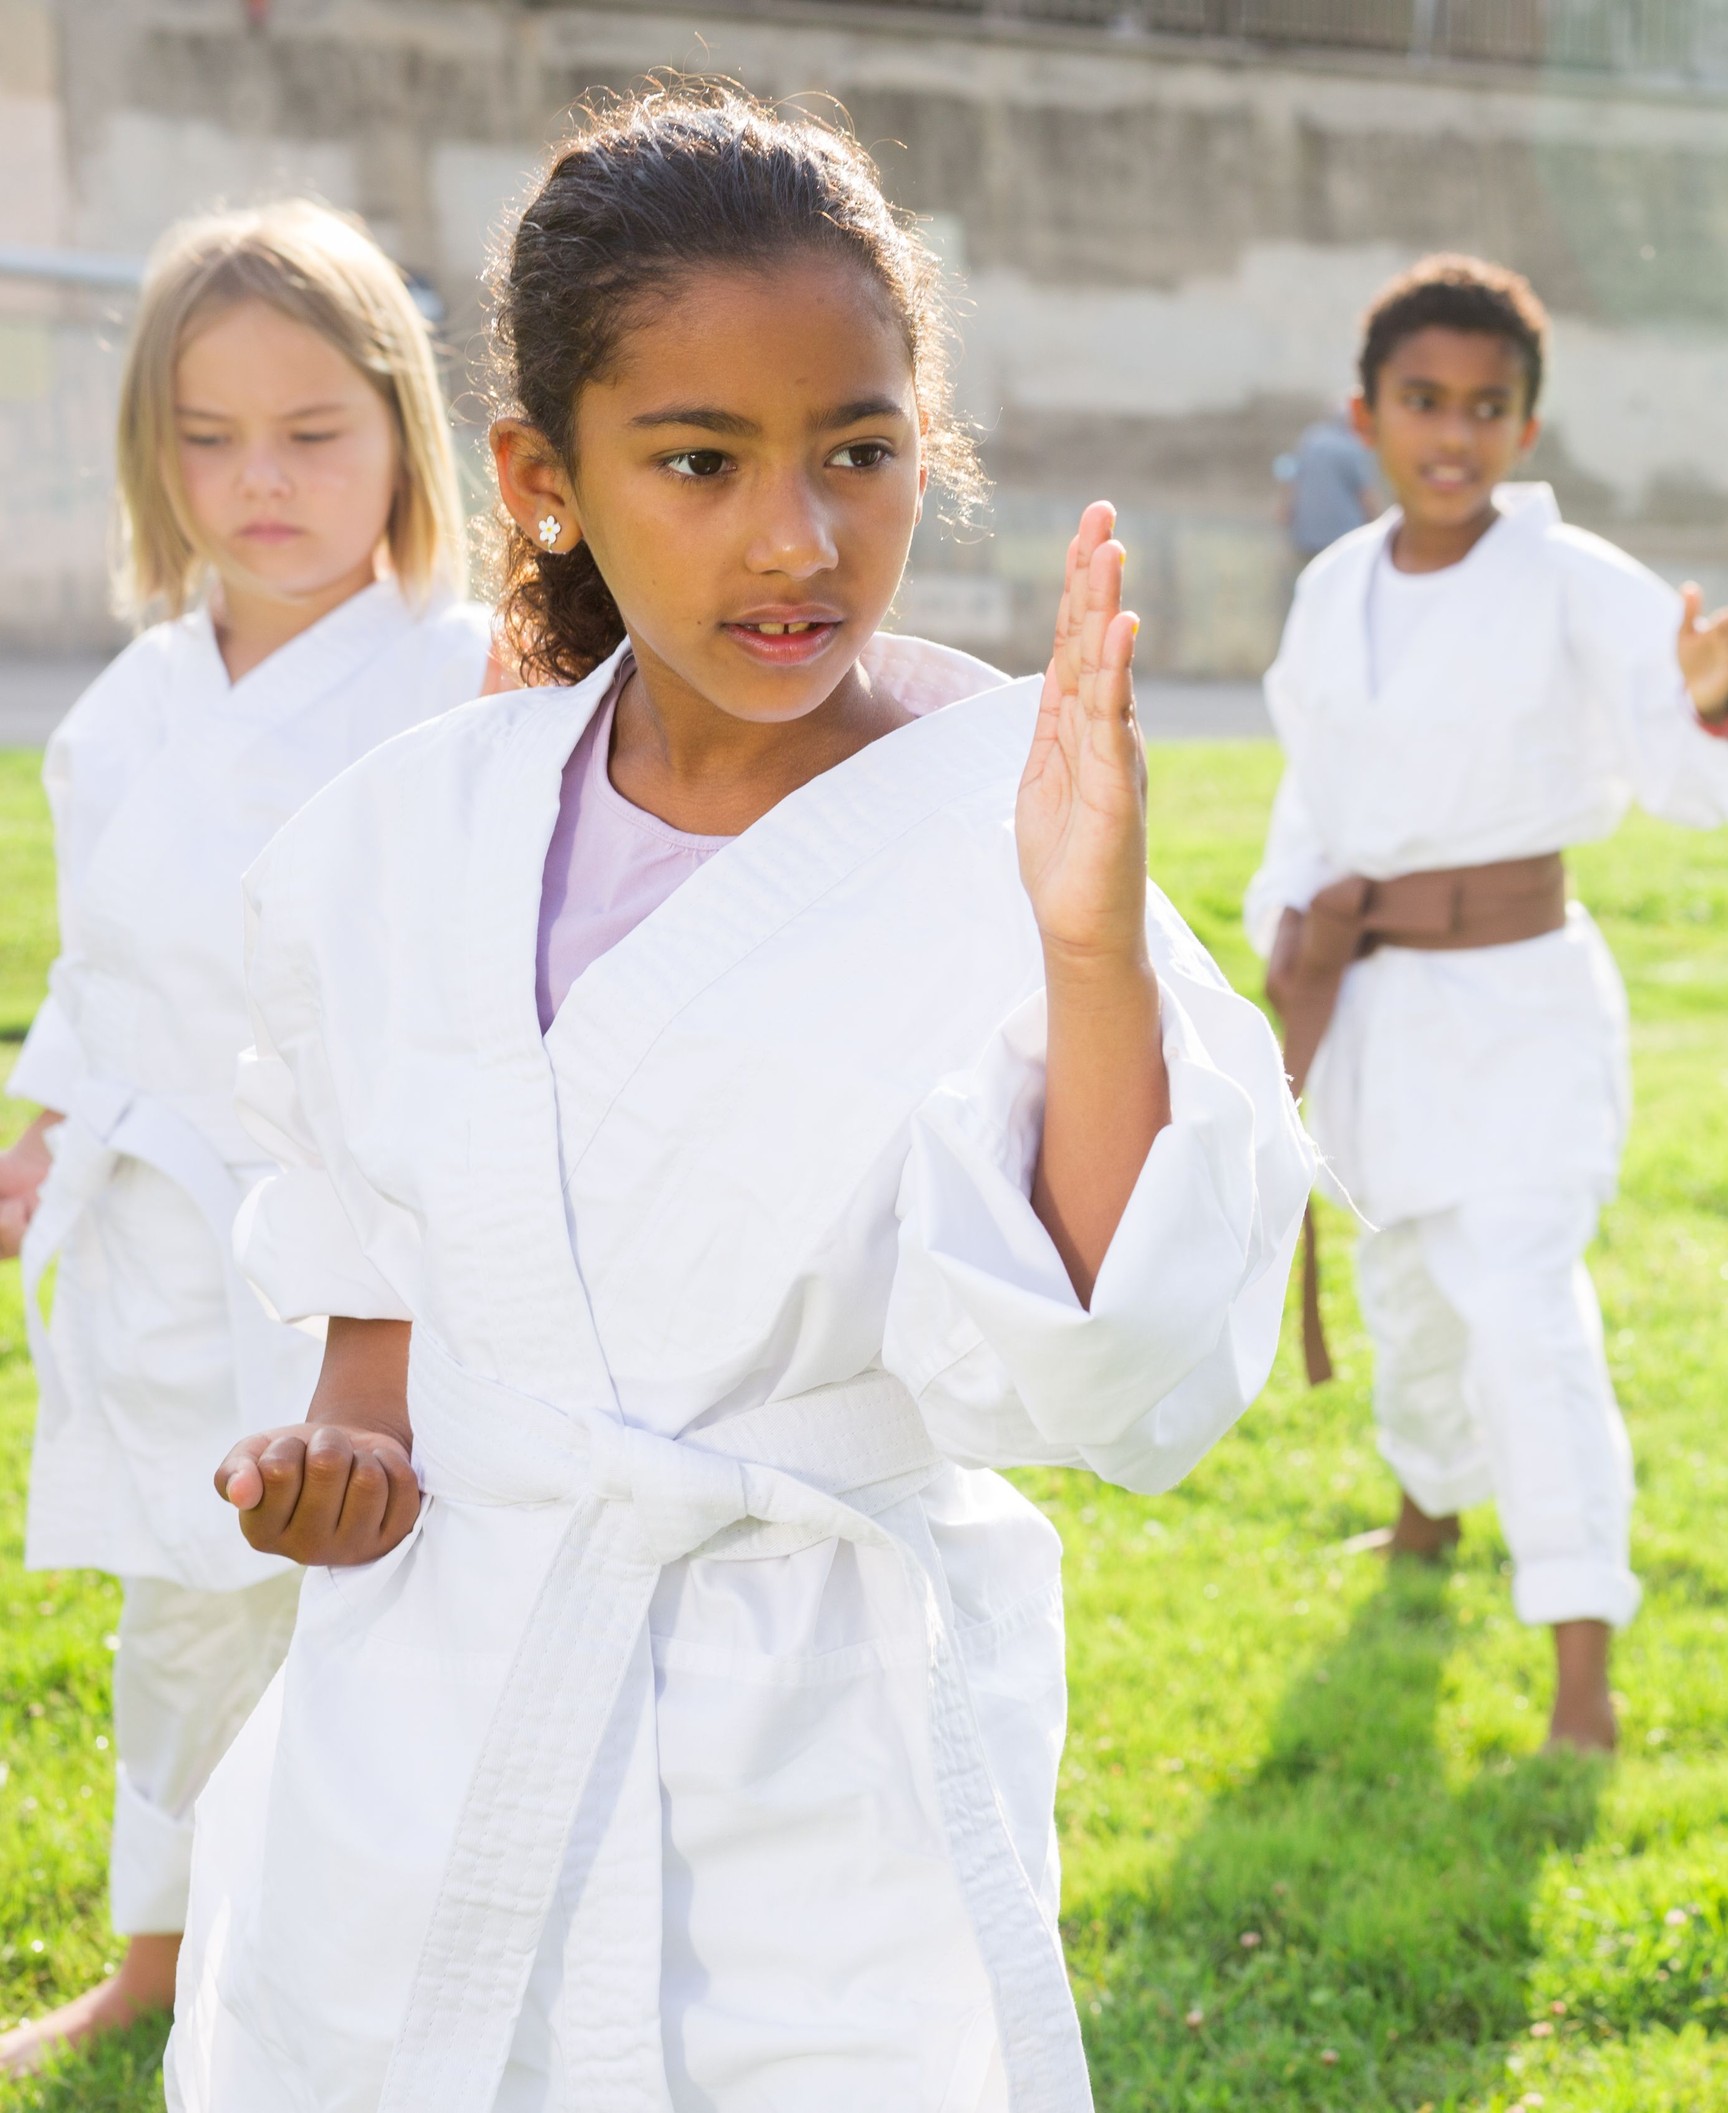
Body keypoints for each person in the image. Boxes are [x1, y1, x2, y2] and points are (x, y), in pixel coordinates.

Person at [164, 86, 1312, 2112]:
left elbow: (1117, 1365)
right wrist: (341, 1441)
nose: (797, 540)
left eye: (859, 453)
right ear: (544, 477)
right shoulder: (402, 847)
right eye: (700, 461)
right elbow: (370, 1249)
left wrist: (1089, 945)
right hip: (441, 1702)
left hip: (820, 1759)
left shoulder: (1009, 813)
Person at [0, 200, 495, 2071]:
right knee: (172, 1605)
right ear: (149, 449)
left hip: (363, 1249)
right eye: (205, 438)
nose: (257, 480)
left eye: (310, 433)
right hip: (149, 1232)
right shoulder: (127, 709)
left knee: (368, 1614)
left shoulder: (465, 686)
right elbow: (102, 959)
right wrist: (48, 1125)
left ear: (400, 431)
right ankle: (157, 1949)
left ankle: (372, 1977)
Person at [1244, 254, 1728, 1753]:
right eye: (1423, 402)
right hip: (1375, 1004)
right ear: (1363, 414)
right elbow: (1318, 797)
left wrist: (1703, 698)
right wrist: (1289, 937)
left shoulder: (1570, 580)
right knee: (1410, 1298)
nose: (1453, 433)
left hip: (1520, 1011)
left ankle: (1581, 1656)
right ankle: (1428, 1509)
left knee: (1523, 1314)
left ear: (1527, 430)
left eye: (1487, 407)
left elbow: (1713, 770)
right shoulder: (1331, 590)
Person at [1273, 407, 1382, 564]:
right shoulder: (1353, 446)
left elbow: (1290, 477)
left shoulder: (1310, 439)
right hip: (1344, 536)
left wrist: (1284, 508)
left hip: (1306, 533)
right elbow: (1365, 493)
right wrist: (1377, 526)